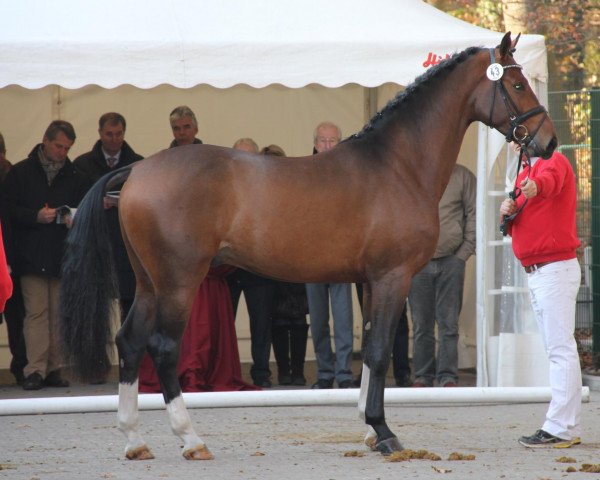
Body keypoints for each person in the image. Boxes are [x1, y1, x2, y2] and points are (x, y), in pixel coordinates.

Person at [138, 122, 257, 393]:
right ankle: (180, 373)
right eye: (177, 127)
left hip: (218, 271)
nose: (182, 131)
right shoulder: (190, 170)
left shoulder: (213, 167)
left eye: (186, 126)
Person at [500, 145, 582, 448]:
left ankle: (560, 427)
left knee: (560, 349)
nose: (511, 145)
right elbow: (529, 214)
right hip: (540, 271)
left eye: (515, 138)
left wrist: (534, 187)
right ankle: (563, 424)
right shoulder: (525, 172)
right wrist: (508, 215)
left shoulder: (552, 162)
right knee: (558, 349)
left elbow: (548, 182)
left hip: (552, 269)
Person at [2, 120, 88, 390]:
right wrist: (35, 216)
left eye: (67, 148)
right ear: (45, 141)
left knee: (57, 314)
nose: (63, 152)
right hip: (31, 255)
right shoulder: (21, 173)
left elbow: (84, 209)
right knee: (37, 313)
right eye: (59, 146)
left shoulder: (75, 175)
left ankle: (54, 368)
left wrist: (74, 217)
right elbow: (8, 210)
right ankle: (35, 369)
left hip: (62, 255)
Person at [408, 163, 476, 388]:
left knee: (449, 324)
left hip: (451, 261)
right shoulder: (413, 174)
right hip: (418, 263)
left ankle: (448, 377)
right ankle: (423, 376)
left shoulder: (463, 176)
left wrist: (462, 254)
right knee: (421, 324)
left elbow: (474, 212)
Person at [73, 112, 144, 324]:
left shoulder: (138, 164)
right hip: (95, 245)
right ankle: (97, 358)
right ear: (100, 133)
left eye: (118, 134)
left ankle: (129, 357)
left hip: (127, 246)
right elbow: (75, 204)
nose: (114, 139)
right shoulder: (82, 164)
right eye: (109, 134)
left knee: (131, 306)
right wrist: (96, 204)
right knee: (95, 310)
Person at [306, 121, 354, 389]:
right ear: (314, 144)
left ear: (340, 143)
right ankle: (325, 371)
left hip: (339, 257)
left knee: (343, 317)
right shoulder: (303, 173)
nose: (327, 146)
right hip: (310, 257)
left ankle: (344, 372)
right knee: (318, 318)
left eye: (332, 141)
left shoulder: (348, 174)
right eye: (322, 141)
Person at [226, 138, 276, 388]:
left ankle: (261, 373)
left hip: (258, 268)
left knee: (261, 323)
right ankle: (225, 372)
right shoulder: (223, 189)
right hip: (229, 267)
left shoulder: (269, 189)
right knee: (225, 323)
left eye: (249, 157)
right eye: (239, 157)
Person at [259, 144, 310, 386]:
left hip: (298, 258)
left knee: (298, 319)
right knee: (278, 320)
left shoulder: (297, 189)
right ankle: (283, 371)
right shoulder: (256, 193)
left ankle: (298, 371)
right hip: (270, 263)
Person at [0, 132, 27, 385]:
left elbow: (11, 221)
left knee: (16, 316)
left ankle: (20, 364)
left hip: (11, 255)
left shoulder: (14, 177)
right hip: (8, 254)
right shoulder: (14, 175)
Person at [354, 283, 412, 387]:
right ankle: (368, 371)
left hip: (394, 272)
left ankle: (402, 373)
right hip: (365, 274)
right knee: (369, 321)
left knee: (398, 318)